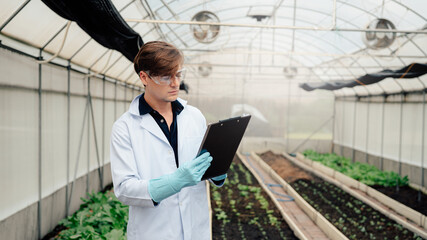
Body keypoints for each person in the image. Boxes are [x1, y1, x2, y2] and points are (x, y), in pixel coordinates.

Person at [110, 41, 227, 240]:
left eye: (178, 74)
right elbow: (124, 189)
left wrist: (216, 171)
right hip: (154, 232)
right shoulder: (125, 127)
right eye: (166, 76)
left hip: (195, 229)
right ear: (144, 77)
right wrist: (175, 181)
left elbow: (203, 167)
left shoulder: (194, 116)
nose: (175, 83)